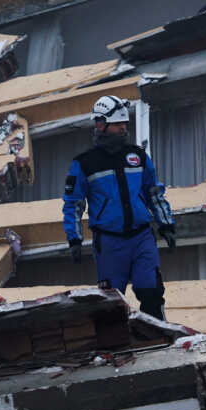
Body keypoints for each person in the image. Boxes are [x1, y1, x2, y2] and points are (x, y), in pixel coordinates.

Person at [61, 95, 177, 320]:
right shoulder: (84, 163)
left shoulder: (139, 156)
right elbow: (73, 204)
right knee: (110, 304)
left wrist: (166, 224)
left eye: (125, 124)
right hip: (109, 243)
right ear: (101, 125)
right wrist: (74, 239)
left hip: (142, 237)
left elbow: (154, 192)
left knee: (151, 291)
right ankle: (115, 351)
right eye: (118, 124)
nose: (124, 128)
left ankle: (158, 341)